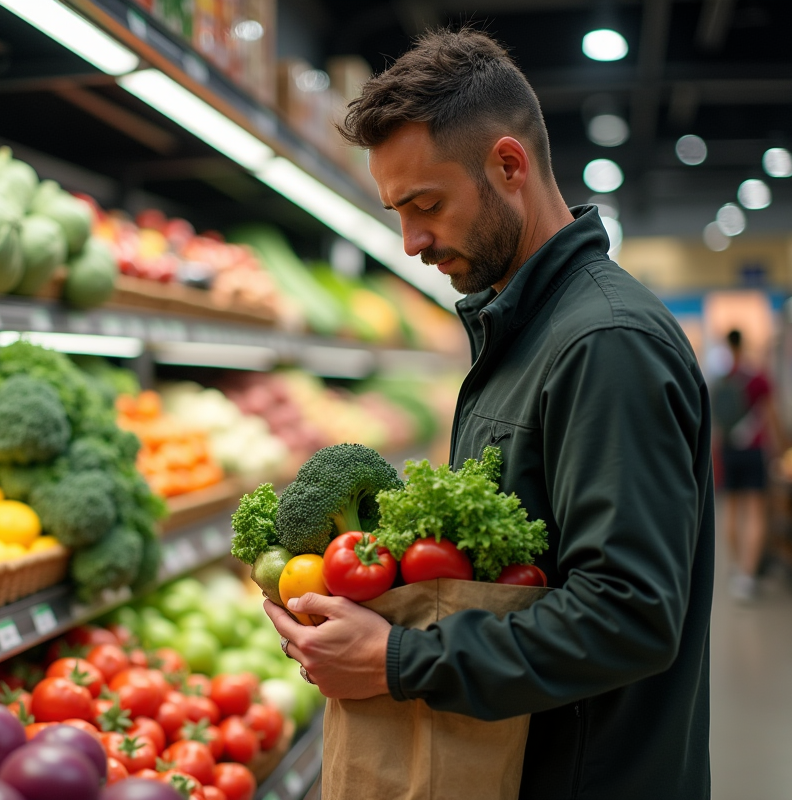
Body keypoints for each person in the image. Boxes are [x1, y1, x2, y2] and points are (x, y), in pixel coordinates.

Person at [264, 28, 714, 800]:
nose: (411, 241)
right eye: (397, 212)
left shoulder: (605, 344)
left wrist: (399, 660)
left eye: (427, 205)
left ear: (509, 166)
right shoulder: (521, 330)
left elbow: (630, 615)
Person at [712, 329, 775, 601]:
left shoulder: (722, 379)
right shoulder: (757, 377)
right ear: (744, 344)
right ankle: (747, 577)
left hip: (728, 450)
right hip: (753, 450)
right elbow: (770, 414)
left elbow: (716, 422)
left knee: (731, 510)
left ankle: (737, 568)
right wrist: (781, 446)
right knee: (755, 511)